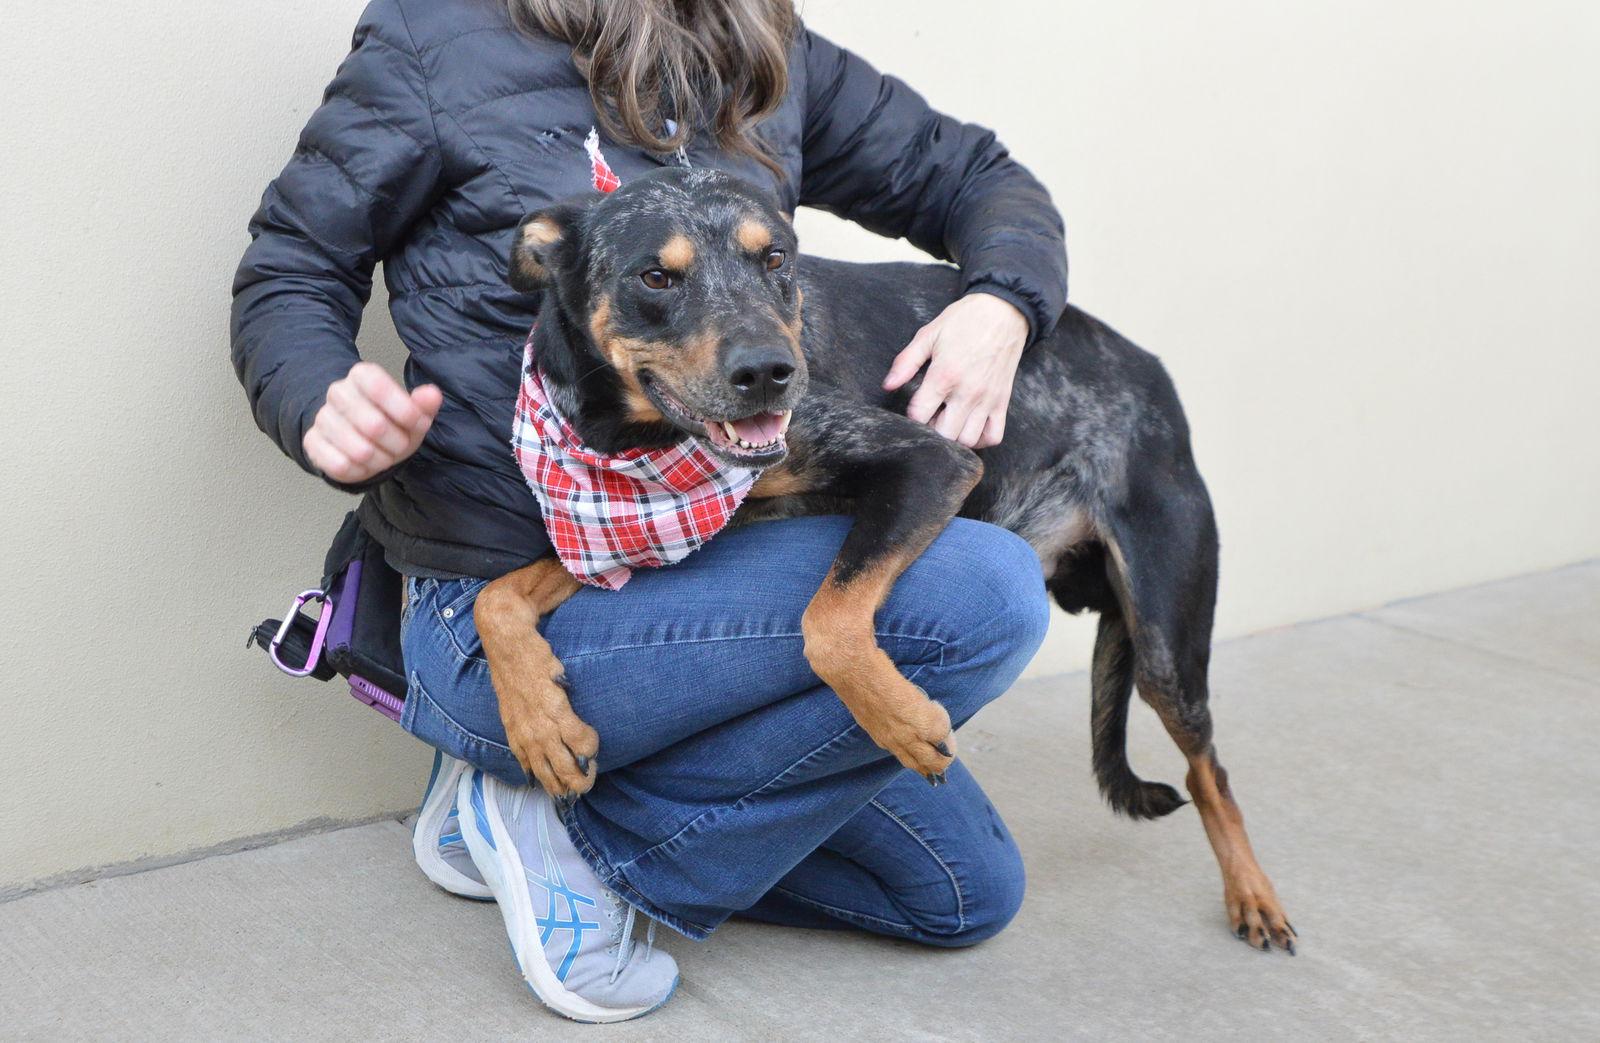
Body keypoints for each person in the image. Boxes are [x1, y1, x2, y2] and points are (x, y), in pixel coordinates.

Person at [232, 0, 1067, 1023]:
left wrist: (1001, 303)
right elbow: (290, 269)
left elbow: (975, 179)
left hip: (701, 555)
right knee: (978, 592)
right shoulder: (436, 37)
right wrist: (320, 395)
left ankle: (555, 808)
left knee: (959, 893)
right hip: (506, 595)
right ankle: (540, 810)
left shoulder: (765, 43)